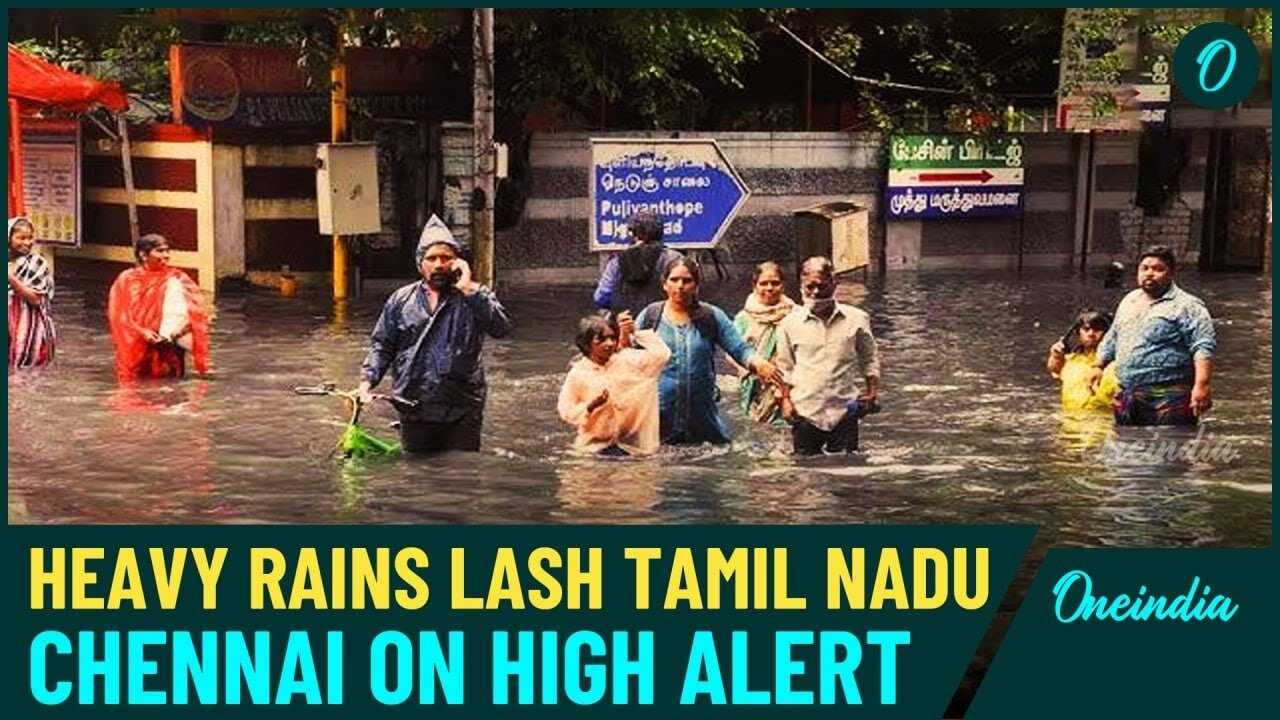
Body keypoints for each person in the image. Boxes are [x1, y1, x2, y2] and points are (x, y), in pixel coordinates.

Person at [358, 215, 513, 454]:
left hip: (461, 406)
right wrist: (366, 384)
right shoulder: (401, 300)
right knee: (417, 476)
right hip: (414, 404)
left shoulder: (475, 295)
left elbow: (501, 328)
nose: (439, 264)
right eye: (432, 258)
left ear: (457, 262)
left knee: (461, 474)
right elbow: (382, 345)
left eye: (446, 258)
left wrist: (469, 289)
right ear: (421, 264)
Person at [635, 257, 780, 445]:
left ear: (696, 285)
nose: (680, 286)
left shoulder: (711, 316)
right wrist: (623, 338)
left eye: (687, 281)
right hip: (657, 416)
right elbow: (627, 360)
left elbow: (738, 348)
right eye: (674, 280)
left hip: (702, 418)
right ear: (664, 284)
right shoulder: (650, 317)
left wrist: (758, 362)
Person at [1088, 245, 1217, 426]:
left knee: (1171, 449)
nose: (1150, 273)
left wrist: (1202, 385)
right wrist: (1098, 366)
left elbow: (1203, 346)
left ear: (1171, 274)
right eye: (1145, 268)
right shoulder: (1130, 300)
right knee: (1125, 449)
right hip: (1129, 393)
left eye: (1158, 269)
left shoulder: (1188, 305)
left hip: (1171, 395)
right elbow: (1113, 336)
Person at [774, 256, 881, 455]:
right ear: (801, 286)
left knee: (846, 471)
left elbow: (869, 358)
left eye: (821, 287)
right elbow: (785, 368)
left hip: (844, 410)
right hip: (805, 411)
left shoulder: (857, 319)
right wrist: (785, 401)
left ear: (833, 284)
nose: (815, 292)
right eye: (810, 287)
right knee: (805, 471)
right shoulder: (789, 324)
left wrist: (872, 392)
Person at [557, 310, 671, 456]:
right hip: (593, 445)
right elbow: (566, 410)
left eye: (612, 338)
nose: (610, 344)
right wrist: (590, 406)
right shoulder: (578, 373)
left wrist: (634, 332)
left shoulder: (626, 361)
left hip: (631, 445)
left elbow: (662, 355)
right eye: (602, 340)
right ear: (586, 344)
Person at [107, 233, 210, 381]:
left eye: (167, 251)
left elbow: (196, 311)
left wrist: (181, 330)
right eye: (160, 251)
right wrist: (142, 332)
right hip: (138, 343)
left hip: (169, 344)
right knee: (137, 389)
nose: (166, 255)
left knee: (171, 388)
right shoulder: (127, 279)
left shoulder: (178, 278)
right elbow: (118, 315)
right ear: (143, 255)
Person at [732, 261, 796, 425]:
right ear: (754, 286)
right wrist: (752, 371)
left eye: (775, 283)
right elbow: (731, 352)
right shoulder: (743, 318)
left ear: (783, 286)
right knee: (759, 430)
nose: (769, 288)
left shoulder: (796, 315)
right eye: (763, 283)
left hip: (790, 383)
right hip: (756, 385)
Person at [592, 211, 683, 316]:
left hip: (625, 324)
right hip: (664, 321)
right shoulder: (674, 259)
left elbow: (601, 297)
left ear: (634, 234)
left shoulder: (617, 261)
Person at [1045, 309, 1119, 413]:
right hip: (1070, 419)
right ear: (1078, 333)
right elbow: (1054, 369)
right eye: (1086, 329)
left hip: (1103, 421)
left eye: (1098, 330)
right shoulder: (1071, 360)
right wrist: (1055, 356)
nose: (1091, 334)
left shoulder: (1116, 362)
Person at [7, 217, 55, 368]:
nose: (27, 242)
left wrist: (11, 279)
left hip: (32, 333)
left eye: (30, 238)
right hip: (8, 331)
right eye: (21, 238)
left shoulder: (37, 263)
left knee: (30, 376)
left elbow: (36, 299)